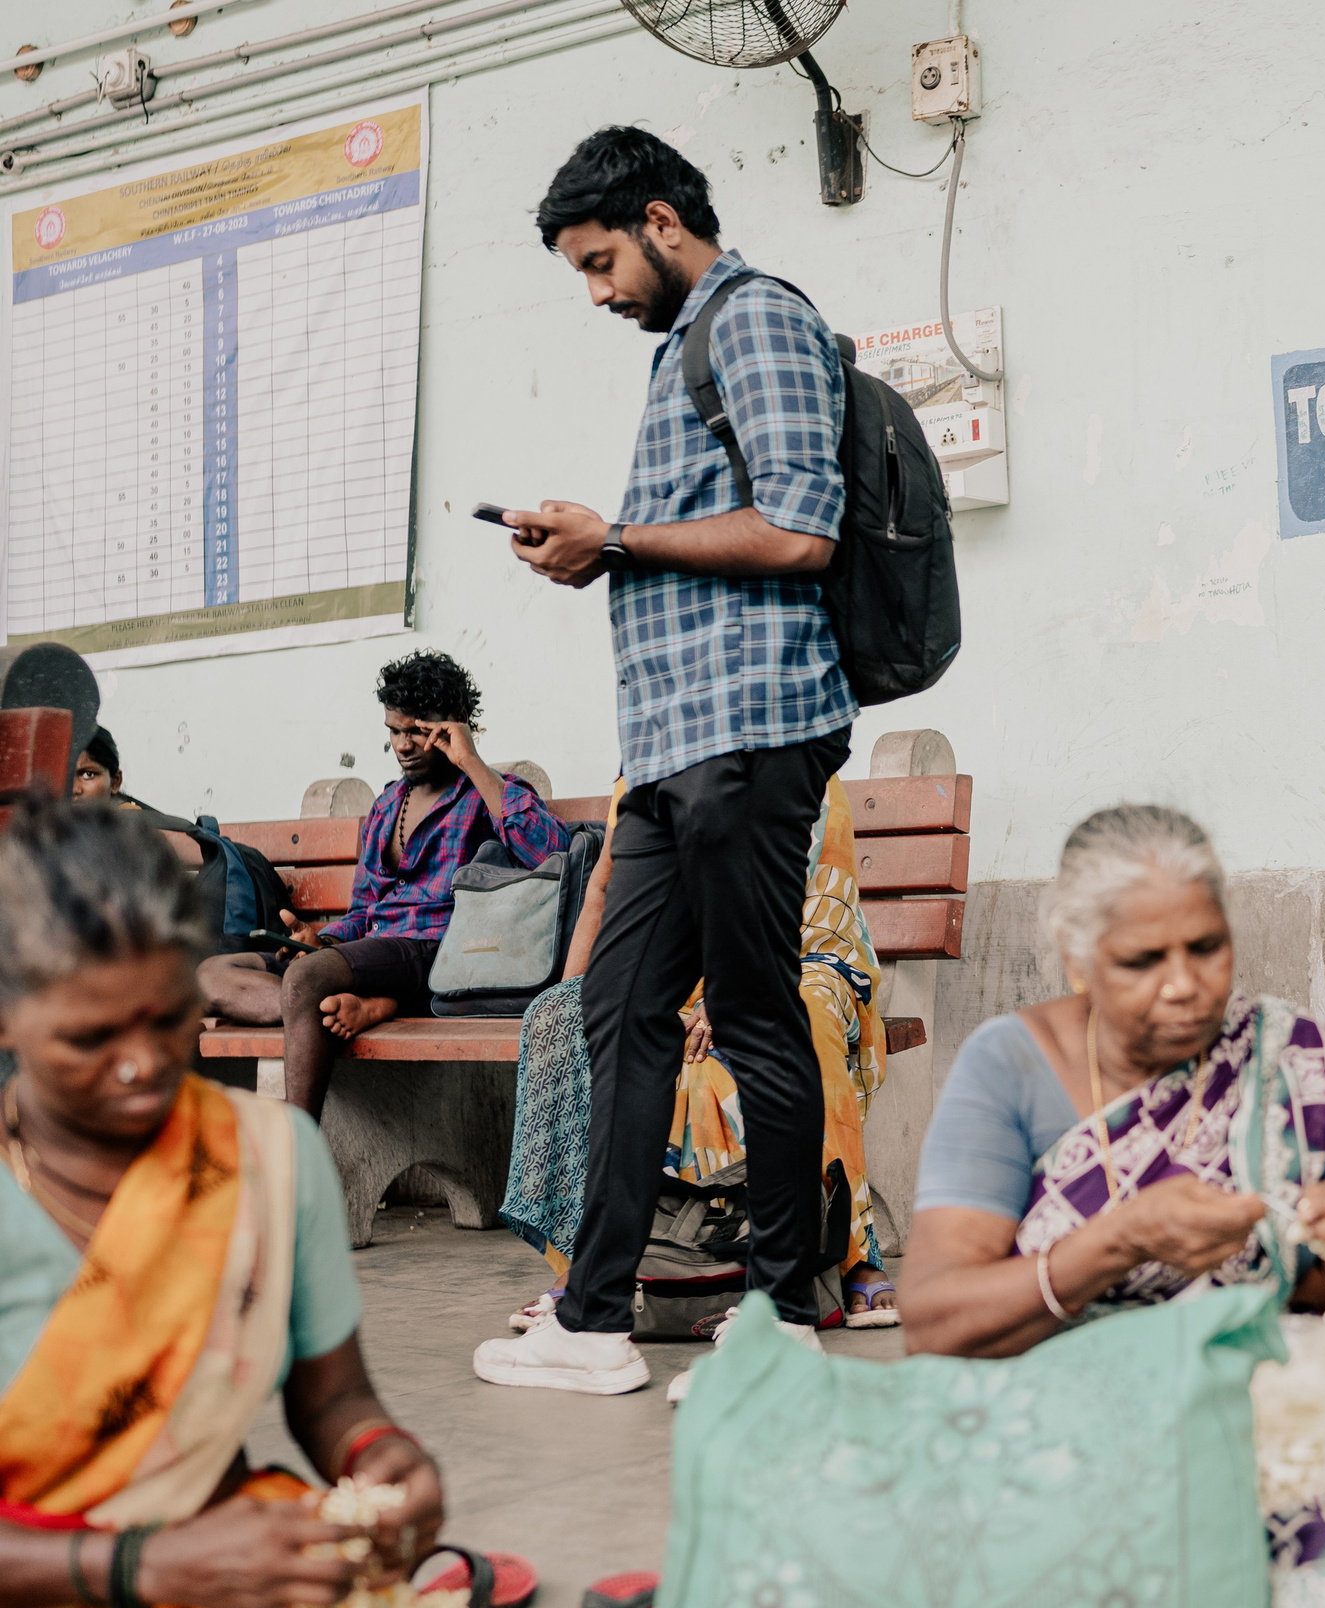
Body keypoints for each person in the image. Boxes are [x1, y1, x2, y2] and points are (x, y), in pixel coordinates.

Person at [901, 805, 1325, 1608]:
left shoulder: (1301, 1071)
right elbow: (936, 1322)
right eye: (1143, 961)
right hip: (1068, 1438)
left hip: (1285, 1433)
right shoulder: (1009, 1068)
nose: (1187, 986)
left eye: (1206, 947)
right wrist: (1115, 1240)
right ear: (1076, 957)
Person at [475, 127, 854, 1396]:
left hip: (752, 732)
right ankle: (592, 1319)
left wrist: (618, 536)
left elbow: (802, 530)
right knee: (613, 1009)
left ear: (659, 217)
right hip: (674, 748)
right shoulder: (686, 346)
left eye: (599, 263)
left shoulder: (755, 320)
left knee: (752, 1018)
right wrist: (600, 543)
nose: (596, 293)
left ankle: (783, 1319)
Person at [0, 801, 465, 1608]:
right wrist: (144, 1566)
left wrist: (381, 1458)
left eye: (166, 1018)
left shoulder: (267, 1157)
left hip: (233, 1582)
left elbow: (333, 1398)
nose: (140, 1064)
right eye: (91, 1037)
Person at [493, 774, 900, 1353]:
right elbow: (607, 889)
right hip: (673, 964)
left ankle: (850, 1253)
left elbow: (794, 899)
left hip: (795, 953)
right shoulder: (644, 766)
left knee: (797, 1010)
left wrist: (723, 995)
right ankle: (587, 1264)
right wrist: (595, 1001)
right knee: (561, 1015)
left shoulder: (792, 762)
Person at [198, 651, 568, 1119]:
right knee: (210, 974)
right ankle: (346, 1004)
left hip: (435, 948)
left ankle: (298, 1155)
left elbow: (549, 850)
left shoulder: (485, 793)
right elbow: (363, 909)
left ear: (454, 726)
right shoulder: (388, 804)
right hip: (374, 951)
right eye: (394, 731)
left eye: (417, 731)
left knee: (305, 980)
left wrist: (472, 761)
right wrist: (323, 940)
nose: (403, 745)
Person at [70, 727, 148, 811]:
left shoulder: (132, 820)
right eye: (63, 775)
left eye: (88, 774)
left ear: (115, 781)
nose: (74, 789)